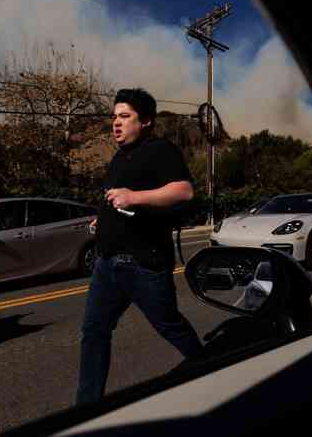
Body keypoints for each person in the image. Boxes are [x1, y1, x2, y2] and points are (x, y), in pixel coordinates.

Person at [76, 88, 203, 405]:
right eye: (114, 117)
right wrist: (101, 220)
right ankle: (87, 408)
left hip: (143, 264)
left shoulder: (160, 150)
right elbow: (116, 200)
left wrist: (133, 196)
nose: (115, 123)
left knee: (170, 325)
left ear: (145, 121)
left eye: (124, 116)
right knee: (94, 331)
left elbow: (184, 191)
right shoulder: (119, 157)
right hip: (106, 264)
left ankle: (210, 365)